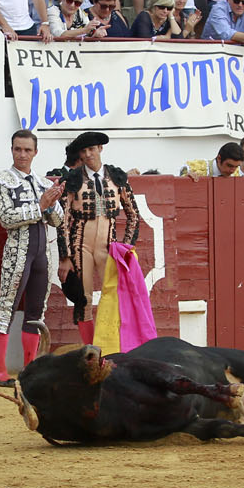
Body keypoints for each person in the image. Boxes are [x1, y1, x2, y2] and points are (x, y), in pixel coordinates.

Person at [0, 129, 64, 385]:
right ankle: (0, 373)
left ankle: (29, 371)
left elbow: (59, 219)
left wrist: (51, 204)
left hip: (42, 254)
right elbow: (7, 219)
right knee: (6, 308)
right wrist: (41, 206)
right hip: (17, 254)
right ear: (11, 150)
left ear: (35, 152)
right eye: (18, 149)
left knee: (35, 313)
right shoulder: (1, 182)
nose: (22, 154)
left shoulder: (44, 183)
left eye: (27, 150)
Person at [59, 130, 139, 344]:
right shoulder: (72, 179)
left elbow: (133, 215)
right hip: (80, 246)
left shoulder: (117, 176)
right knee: (83, 300)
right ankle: (90, 351)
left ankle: (112, 347)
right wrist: (65, 256)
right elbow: (63, 220)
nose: (88, 154)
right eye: (84, 151)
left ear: (100, 149)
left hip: (108, 247)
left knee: (112, 299)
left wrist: (127, 248)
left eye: (92, 149)